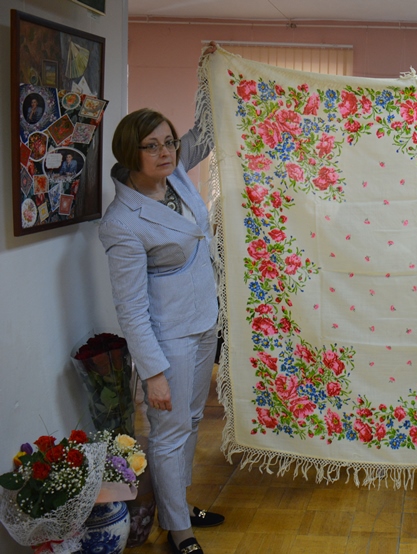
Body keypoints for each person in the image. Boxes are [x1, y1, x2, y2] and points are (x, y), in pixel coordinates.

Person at [98, 43, 222, 554]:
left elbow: (207, 132)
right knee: (169, 433)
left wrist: (213, 72)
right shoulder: (122, 223)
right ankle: (180, 532)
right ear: (131, 154)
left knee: (191, 424)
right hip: (168, 338)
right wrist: (152, 374)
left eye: (169, 142)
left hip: (204, 322)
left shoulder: (174, 174)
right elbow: (131, 308)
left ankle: (178, 506)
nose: (166, 151)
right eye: (152, 146)